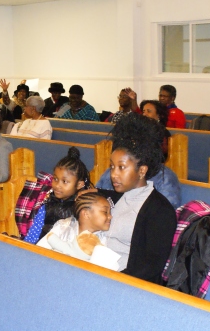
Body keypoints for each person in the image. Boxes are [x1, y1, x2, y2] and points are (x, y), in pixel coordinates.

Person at [96, 114, 176, 284]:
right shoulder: (110, 197)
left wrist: (112, 279)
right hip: (96, 271)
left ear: (142, 170)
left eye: (121, 167)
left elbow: (151, 267)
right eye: (112, 166)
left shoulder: (160, 210)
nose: (114, 174)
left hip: (124, 284)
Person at [23, 147, 92, 244]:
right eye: (55, 179)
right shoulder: (47, 205)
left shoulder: (80, 210)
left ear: (79, 184)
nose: (58, 185)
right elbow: (33, 235)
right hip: (43, 248)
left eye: (65, 181)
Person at [36, 192, 119, 270]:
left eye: (110, 212)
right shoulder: (63, 227)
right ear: (86, 214)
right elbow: (38, 251)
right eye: (105, 212)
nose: (110, 217)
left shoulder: (103, 240)